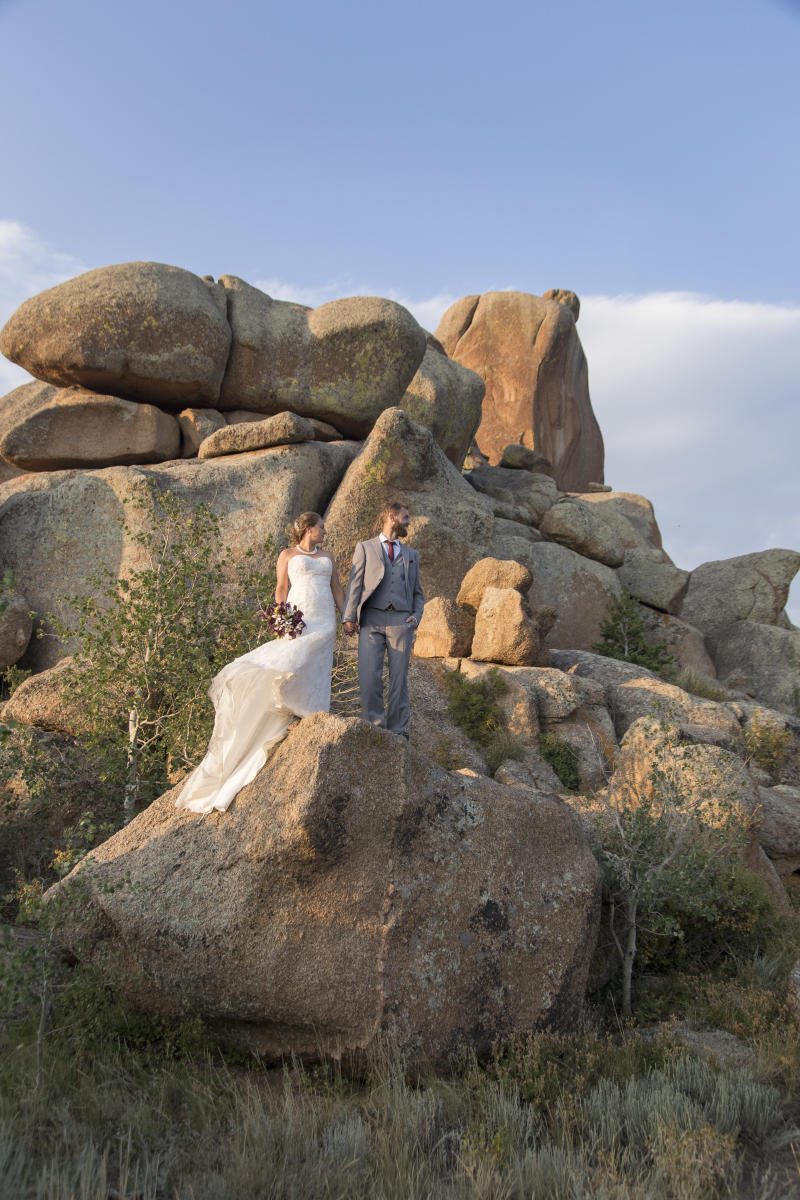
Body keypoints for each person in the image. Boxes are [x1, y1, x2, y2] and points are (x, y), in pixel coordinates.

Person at [175, 512, 345, 814]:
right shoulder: (288, 554)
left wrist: (347, 616)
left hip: (325, 619)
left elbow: (337, 589)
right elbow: (281, 588)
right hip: (300, 616)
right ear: (308, 529)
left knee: (317, 661)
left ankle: (311, 712)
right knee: (291, 659)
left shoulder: (328, 556)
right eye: (320, 527)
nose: (324, 531)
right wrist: (281, 617)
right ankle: (290, 705)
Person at [342, 501, 424, 739]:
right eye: (405, 517)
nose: (409, 522)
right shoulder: (365, 548)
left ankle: (398, 731)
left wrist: (416, 617)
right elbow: (355, 584)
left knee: (399, 678)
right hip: (371, 620)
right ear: (392, 517)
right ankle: (374, 729)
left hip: (401, 621)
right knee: (369, 675)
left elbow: (418, 592)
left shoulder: (411, 554)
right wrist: (349, 616)